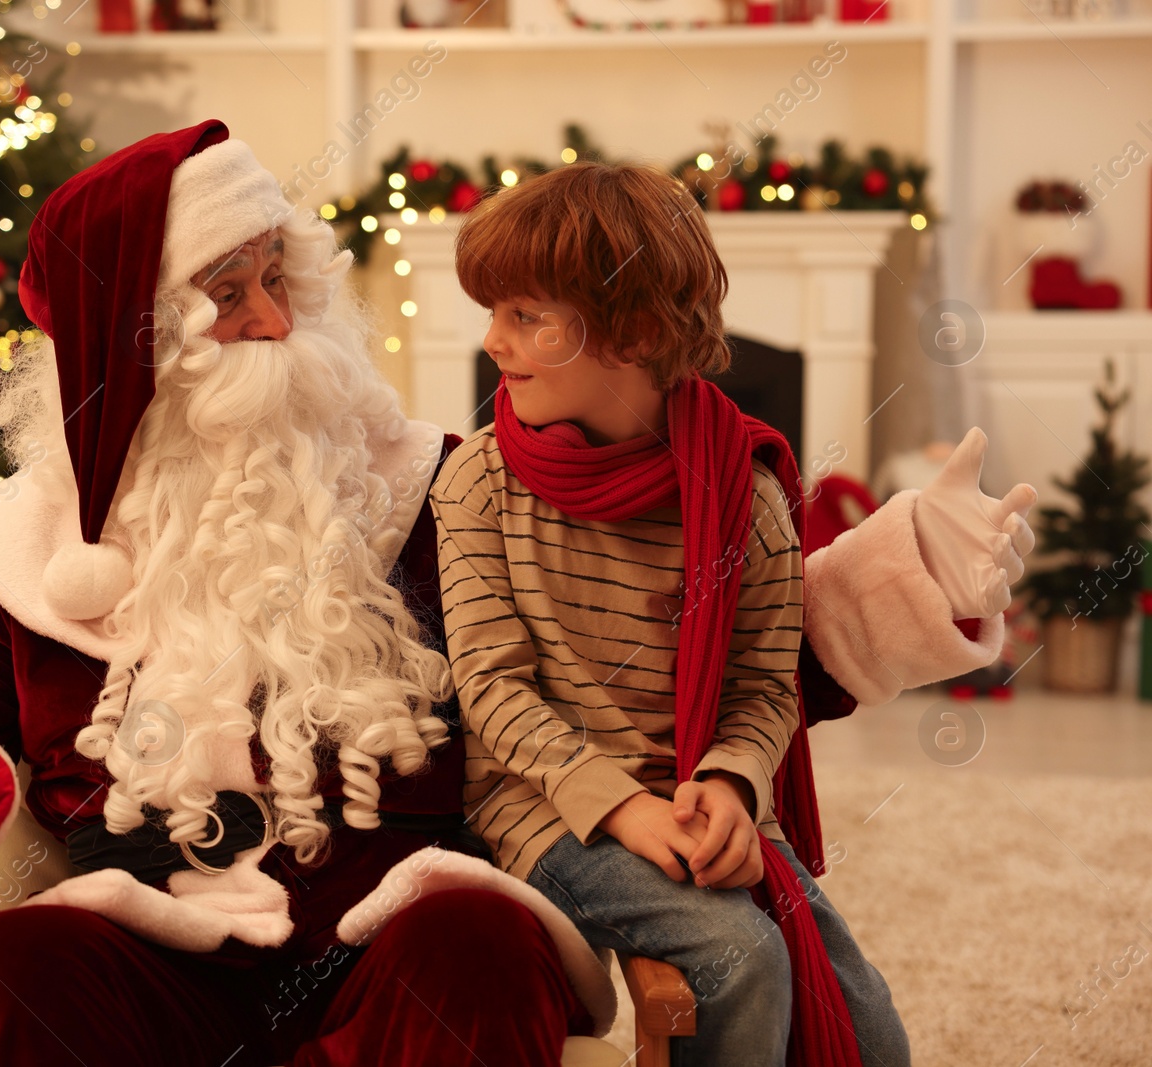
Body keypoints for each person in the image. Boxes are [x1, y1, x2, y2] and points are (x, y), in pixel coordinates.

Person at [0, 122, 1034, 1067]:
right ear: (130, 338)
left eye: (278, 275)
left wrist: (902, 569)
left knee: (482, 939)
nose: (277, 321)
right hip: (142, 934)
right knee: (17, 961)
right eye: (225, 297)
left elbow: (663, 639)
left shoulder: (439, 483)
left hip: (392, 928)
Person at [428, 160, 1035, 1067]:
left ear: (631, 335)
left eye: (526, 316)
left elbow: (762, 682)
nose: (494, 341)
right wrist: (625, 808)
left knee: (872, 1035)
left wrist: (734, 785)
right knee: (738, 956)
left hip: (701, 799)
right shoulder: (478, 480)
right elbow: (492, 688)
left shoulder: (744, 495)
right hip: (548, 806)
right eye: (493, 312)